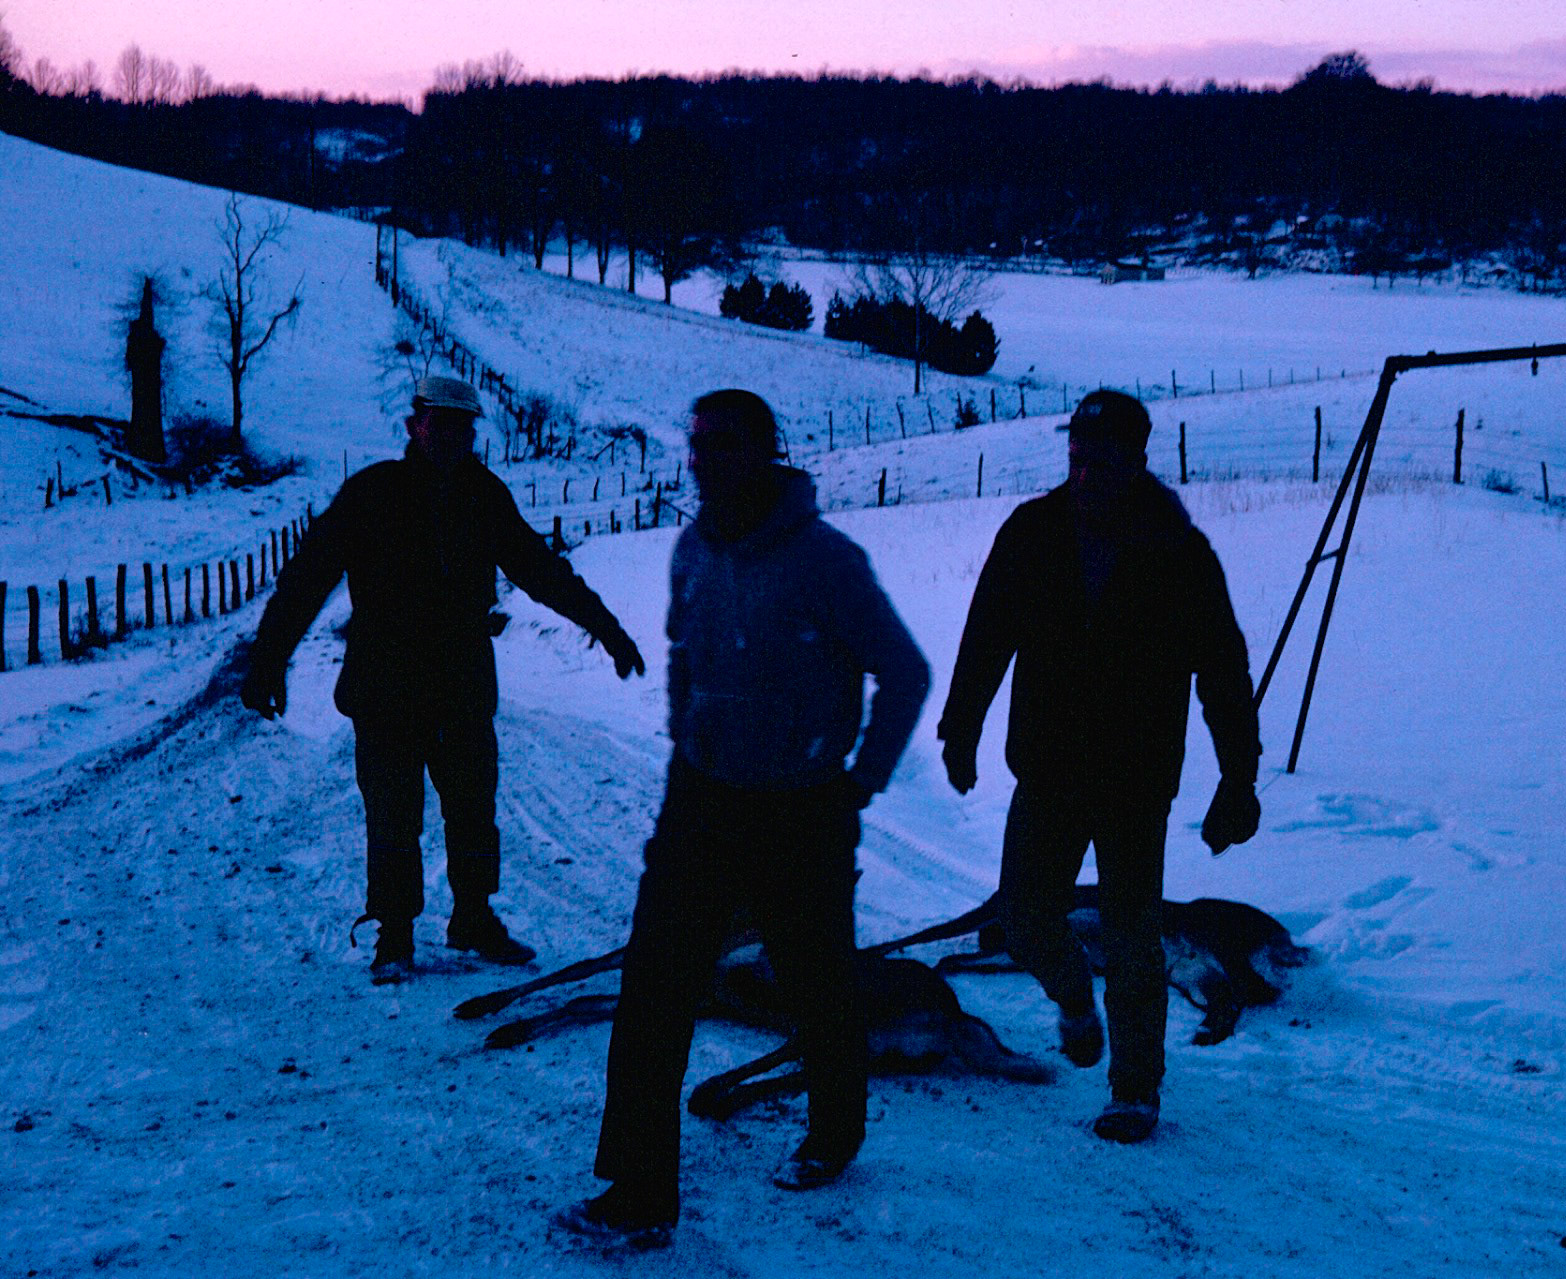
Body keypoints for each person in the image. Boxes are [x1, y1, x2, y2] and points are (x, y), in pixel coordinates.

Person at [564, 389, 930, 1250]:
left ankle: (836, 1129)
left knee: (816, 981)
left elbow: (904, 671)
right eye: (696, 445)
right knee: (655, 984)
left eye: (724, 445)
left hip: (803, 810)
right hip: (701, 800)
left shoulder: (826, 561)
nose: (705, 460)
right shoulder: (690, 550)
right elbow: (683, 656)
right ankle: (640, 1186)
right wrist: (687, 736)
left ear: (765, 452)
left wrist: (858, 781)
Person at [936, 389, 1263, 1145]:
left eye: (1101, 459)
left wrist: (1237, 776)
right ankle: (1073, 994)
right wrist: (962, 730)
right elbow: (986, 634)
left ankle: (1134, 1087)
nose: (1084, 473)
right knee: (1020, 919)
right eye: (1076, 458)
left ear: (1137, 459)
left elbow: (1223, 671)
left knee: (1133, 938)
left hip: (1133, 780)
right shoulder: (1033, 532)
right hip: (1047, 769)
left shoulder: (1180, 552)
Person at [239, 376, 644, 982]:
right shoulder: (372, 493)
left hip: (460, 686)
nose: (455, 435)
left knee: (473, 810)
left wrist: (605, 627)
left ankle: (474, 918)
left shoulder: (484, 495)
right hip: (385, 688)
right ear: (414, 425)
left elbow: (539, 569)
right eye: (443, 422)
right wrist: (269, 658)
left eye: (465, 425)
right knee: (393, 815)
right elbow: (308, 577)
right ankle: (395, 935)